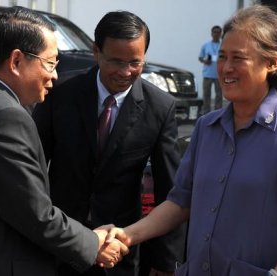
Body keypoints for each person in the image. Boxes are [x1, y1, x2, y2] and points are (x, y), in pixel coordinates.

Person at [107, 5, 277, 276]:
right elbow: (179, 203)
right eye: (222, 57)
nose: (226, 68)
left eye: (238, 58)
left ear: (272, 63)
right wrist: (126, 235)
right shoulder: (207, 127)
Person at [0, 6, 128, 275]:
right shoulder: (3, 116)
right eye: (50, 63)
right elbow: (35, 214)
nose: (55, 75)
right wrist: (92, 243)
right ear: (16, 61)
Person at [33, 10, 185, 276]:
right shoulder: (60, 94)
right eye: (115, 61)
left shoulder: (160, 107)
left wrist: (164, 260)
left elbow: (170, 189)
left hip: (120, 249)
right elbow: (34, 167)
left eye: (135, 63)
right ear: (96, 51)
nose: (125, 72)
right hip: (60, 242)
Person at [199, 25, 222, 114]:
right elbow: (200, 57)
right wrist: (205, 61)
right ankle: (206, 113)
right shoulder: (206, 45)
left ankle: (218, 113)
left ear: (221, 34)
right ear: (211, 33)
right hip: (207, 74)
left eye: (218, 32)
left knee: (219, 95)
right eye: (214, 32)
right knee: (206, 94)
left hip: (219, 74)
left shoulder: (223, 45)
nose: (216, 34)